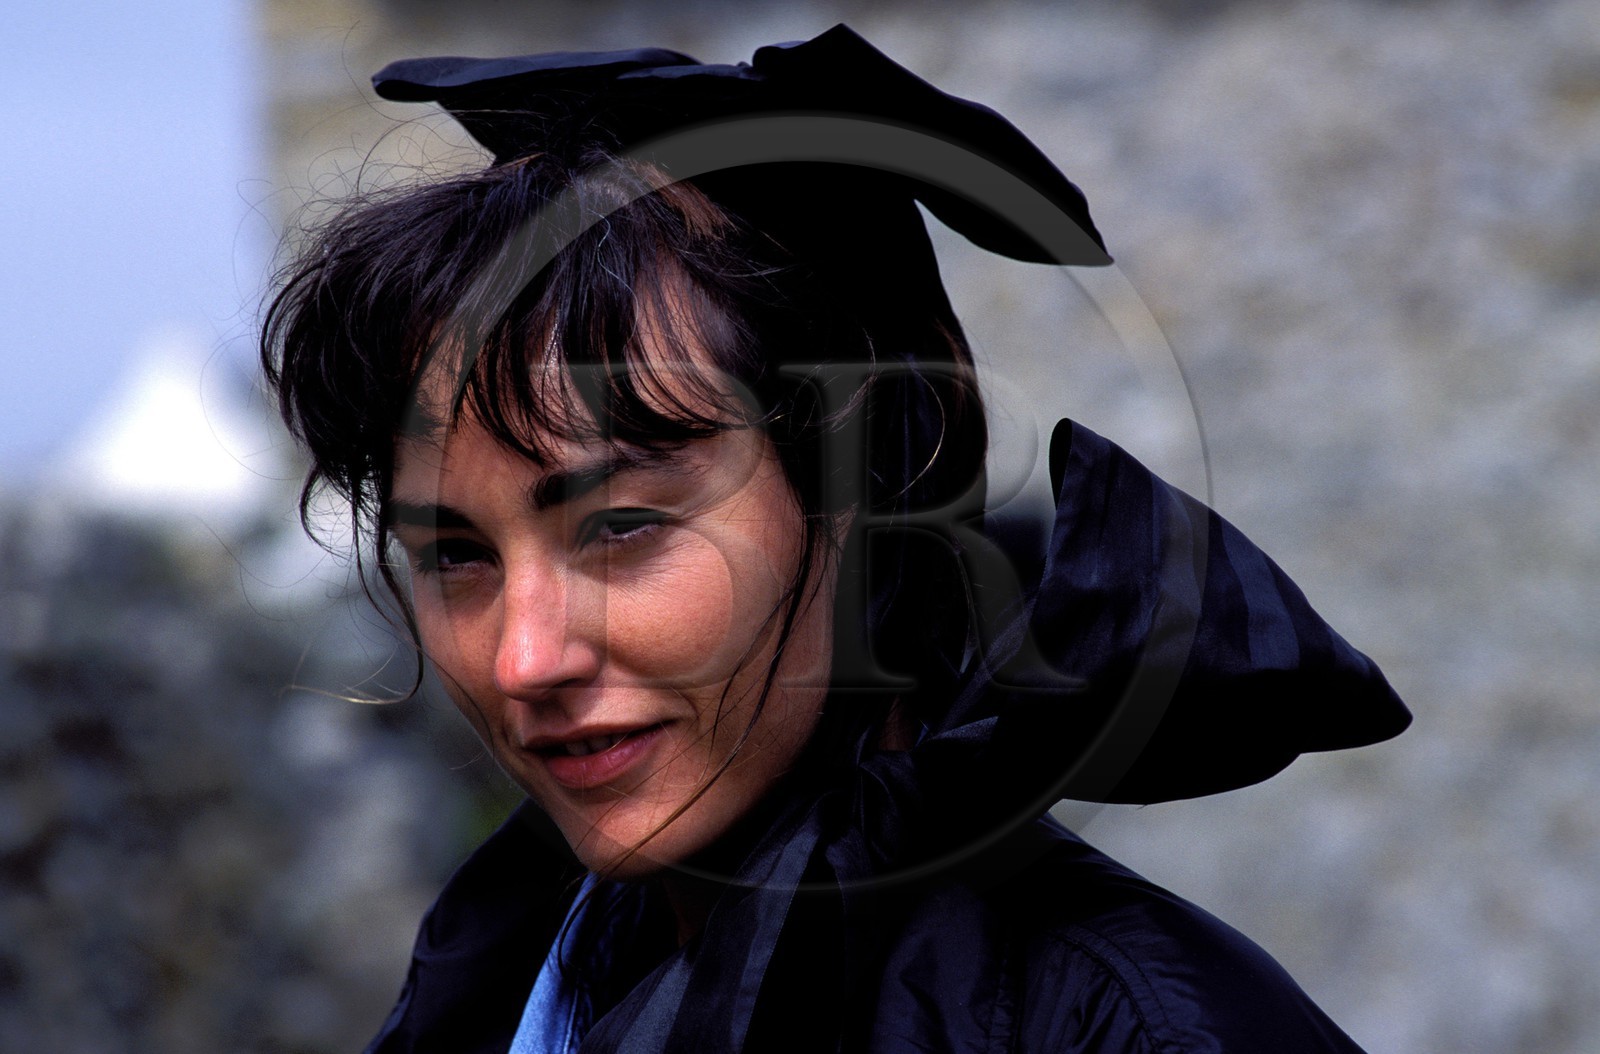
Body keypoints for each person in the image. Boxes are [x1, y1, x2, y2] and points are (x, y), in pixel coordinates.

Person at [261, 25, 1410, 1054]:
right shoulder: (508, 975)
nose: (524, 659)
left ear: (871, 497)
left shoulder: (1126, 1029)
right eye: (455, 553)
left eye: (620, 527)